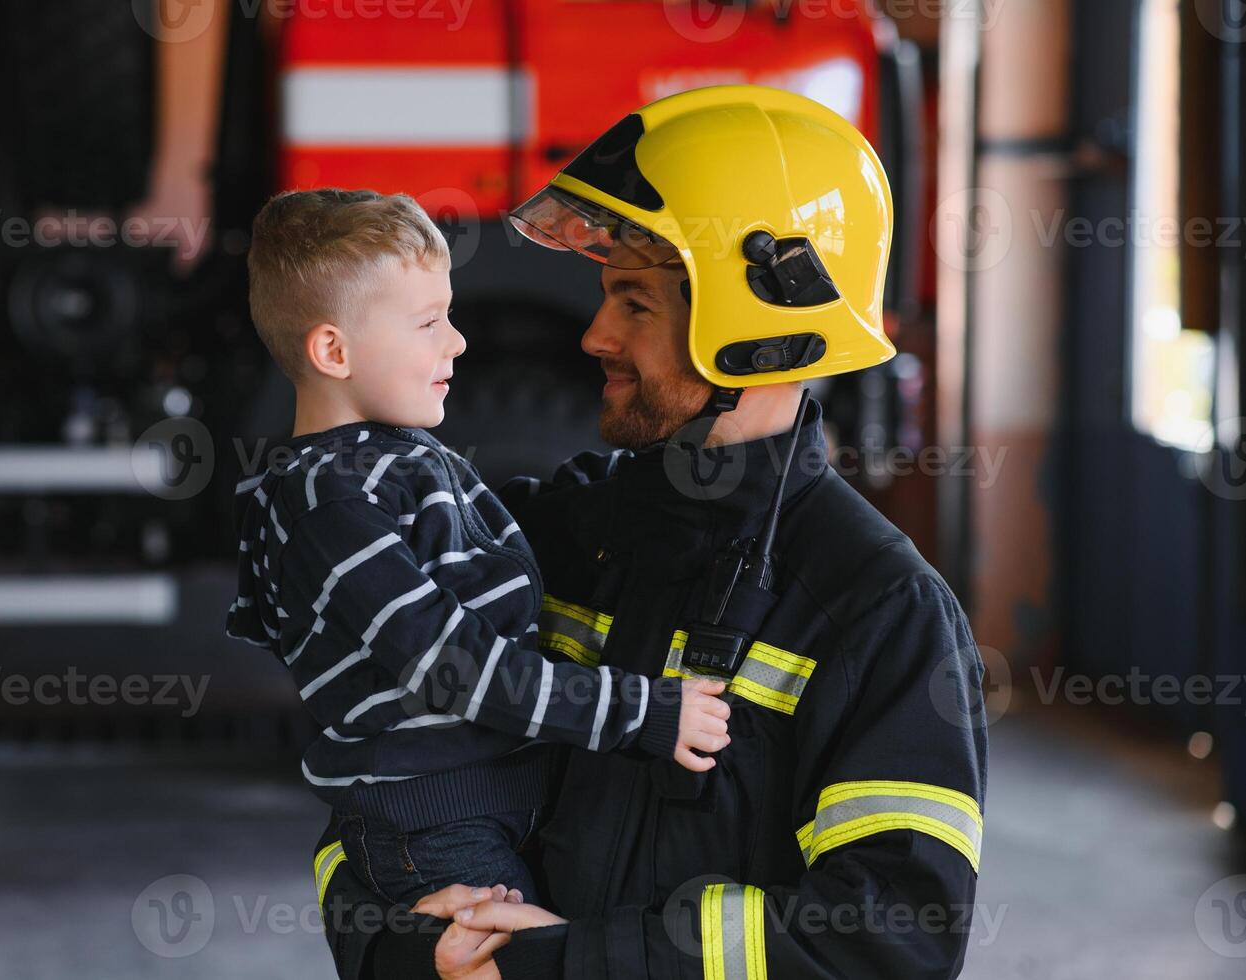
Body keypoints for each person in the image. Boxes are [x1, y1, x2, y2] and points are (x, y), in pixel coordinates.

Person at [312, 85, 989, 979]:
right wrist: (404, 943)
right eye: (606, 296)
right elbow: (376, 784)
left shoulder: (880, 612)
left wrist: (556, 965)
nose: (593, 334)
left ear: (761, 331)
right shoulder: (537, 540)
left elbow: (885, 940)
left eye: (634, 303)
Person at [224, 188, 735, 910]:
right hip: (438, 829)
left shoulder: (391, 458)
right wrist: (639, 711)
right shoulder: (328, 504)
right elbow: (448, 665)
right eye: (428, 323)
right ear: (332, 350)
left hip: (491, 808)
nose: (457, 342)